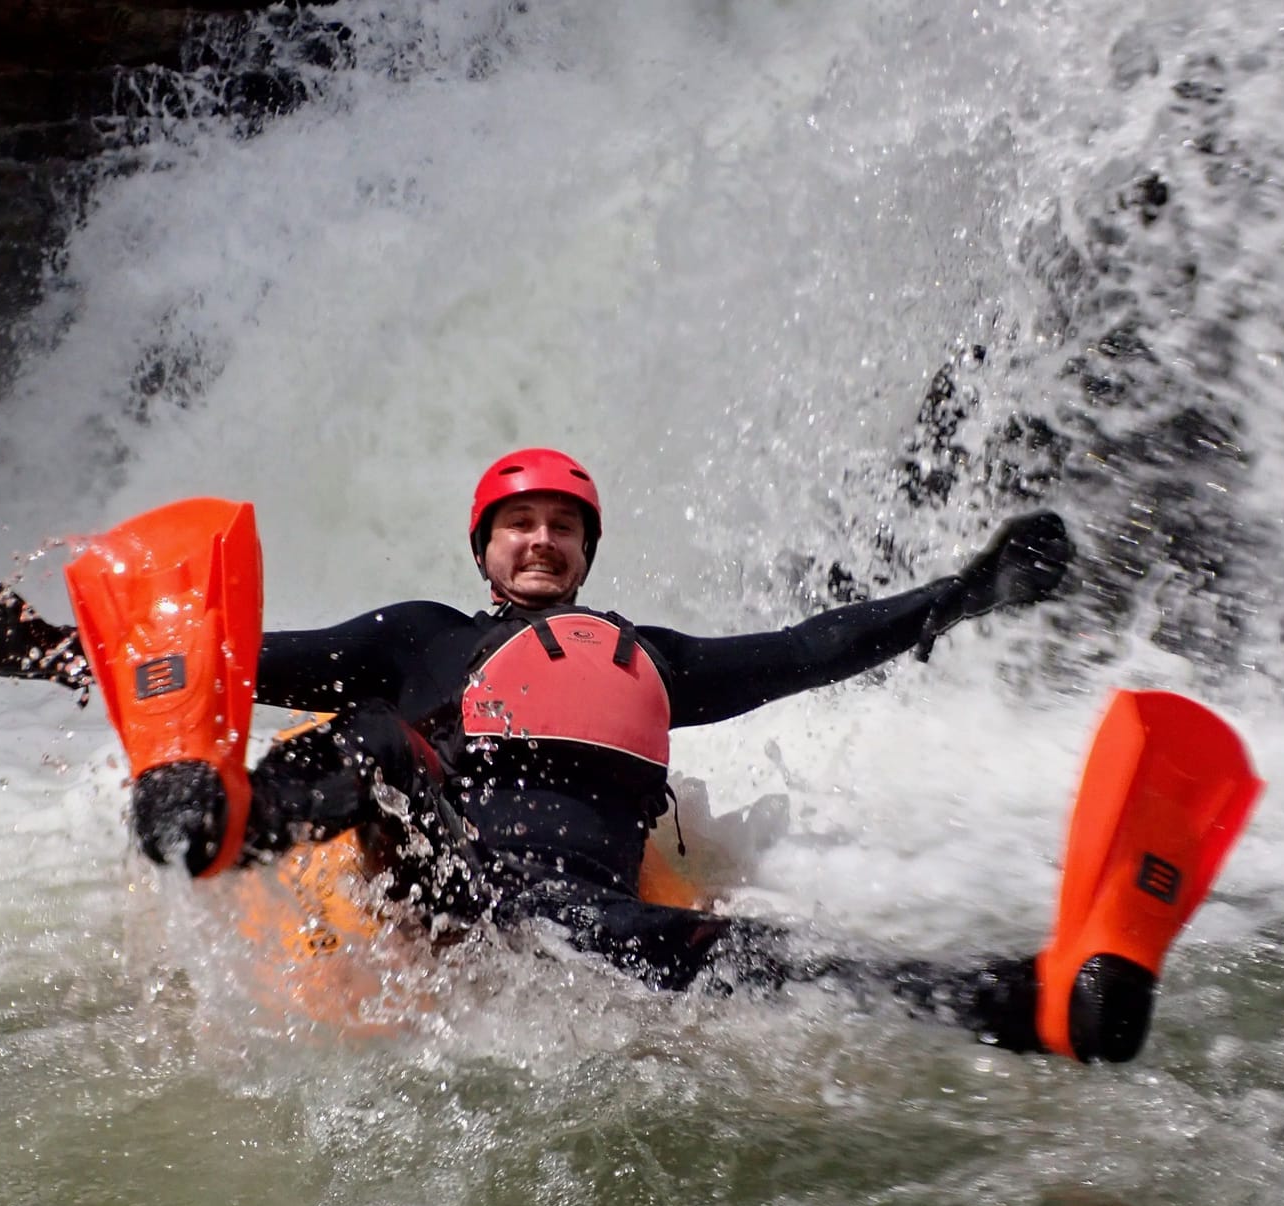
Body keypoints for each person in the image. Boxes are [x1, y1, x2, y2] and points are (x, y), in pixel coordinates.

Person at [108, 448, 1128, 1058]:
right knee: (376, 735)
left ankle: (1017, 1004)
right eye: (518, 525)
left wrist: (970, 592)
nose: (541, 540)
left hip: (569, 903)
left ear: (586, 551)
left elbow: (813, 649)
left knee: (743, 953)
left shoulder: (650, 660)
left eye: (563, 527)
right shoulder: (417, 638)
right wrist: (41, 646)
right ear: (483, 548)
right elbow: (227, 657)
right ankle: (218, 822)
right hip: (437, 868)